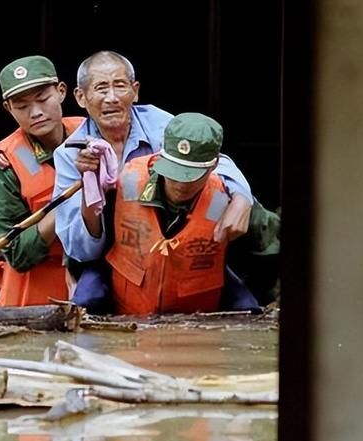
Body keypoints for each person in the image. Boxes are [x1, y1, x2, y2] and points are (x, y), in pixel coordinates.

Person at [52, 51, 275, 312]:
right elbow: (83, 251)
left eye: (120, 86)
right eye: (101, 88)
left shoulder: (162, 126)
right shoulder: (70, 154)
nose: (111, 98)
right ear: (80, 97)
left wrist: (241, 198)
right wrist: (91, 185)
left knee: (245, 307)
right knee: (85, 305)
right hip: (113, 250)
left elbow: (211, 159)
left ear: (135, 91)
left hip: (178, 243)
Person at [0, 55, 84, 306]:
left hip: (90, 280)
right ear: (8, 108)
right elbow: (15, 253)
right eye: (22, 106)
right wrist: (67, 207)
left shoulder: (91, 134)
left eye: (42, 99)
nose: (35, 112)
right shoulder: (5, 164)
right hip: (32, 291)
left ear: (61, 92)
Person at [107, 112, 235, 313]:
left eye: (191, 176)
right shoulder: (128, 180)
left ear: (214, 165)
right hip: (126, 319)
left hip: (194, 327)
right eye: (174, 172)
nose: (181, 184)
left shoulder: (226, 199)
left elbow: (268, 240)